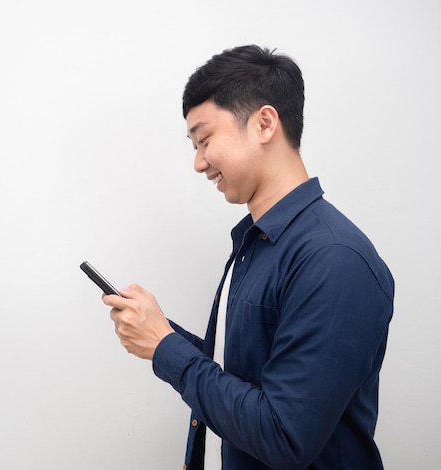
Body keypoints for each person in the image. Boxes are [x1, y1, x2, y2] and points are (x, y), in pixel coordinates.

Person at [102, 45, 394, 469]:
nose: (198, 163)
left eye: (205, 140)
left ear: (264, 123)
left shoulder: (334, 259)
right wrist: (159, 332)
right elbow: (240, 376)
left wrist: (165, 347)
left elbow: (284, 436)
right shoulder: (256, 243)